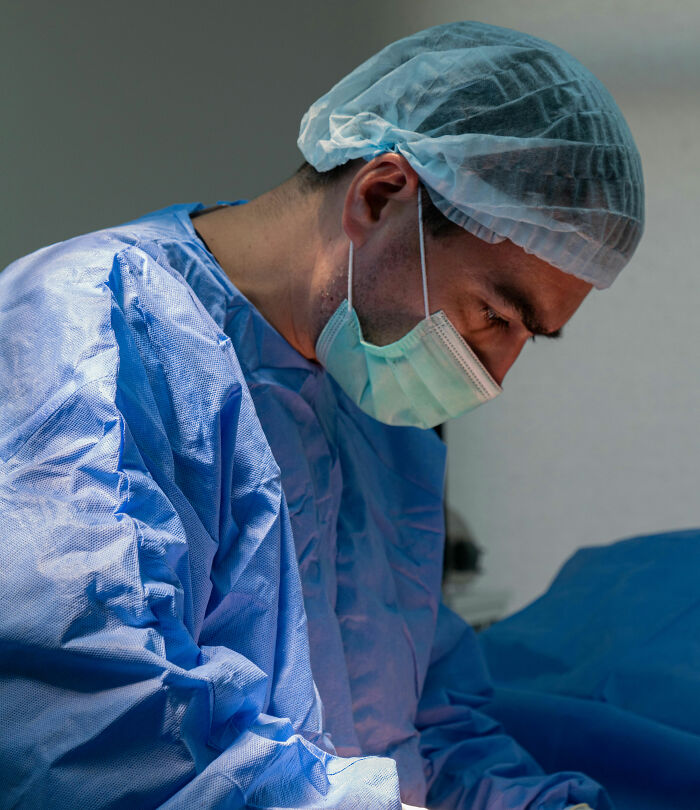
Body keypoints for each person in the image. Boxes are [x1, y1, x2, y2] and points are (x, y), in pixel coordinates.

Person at [0, 20, 643, 810]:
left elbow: (425, 725)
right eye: (493, 315)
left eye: (530, 338)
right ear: (380, 196)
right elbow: (98, 731)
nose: (495, 372)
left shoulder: (374, 410)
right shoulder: (91, 334)